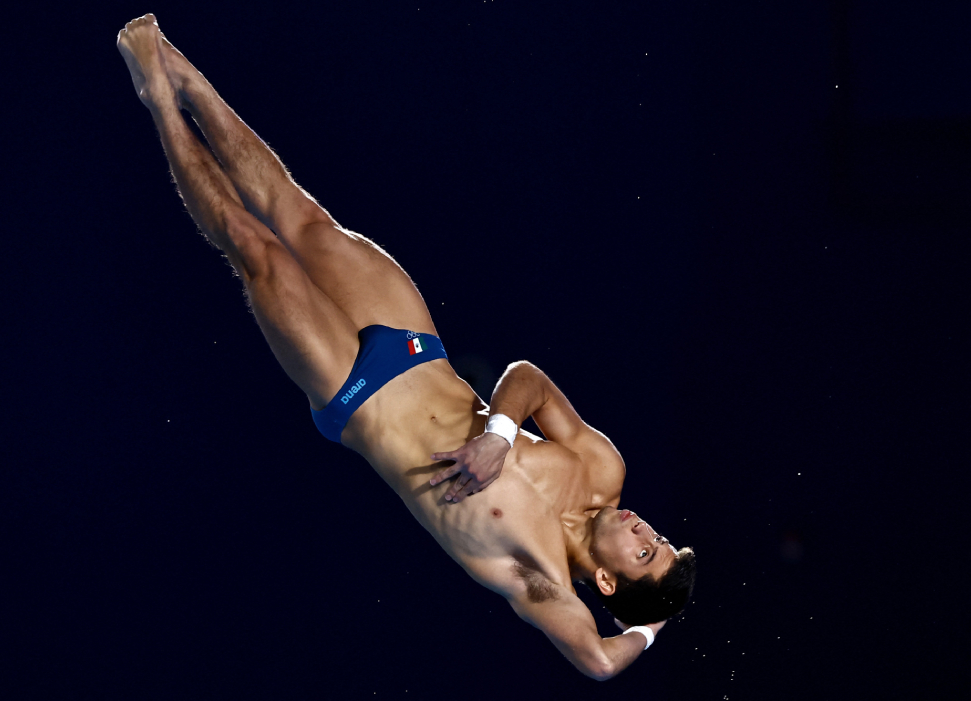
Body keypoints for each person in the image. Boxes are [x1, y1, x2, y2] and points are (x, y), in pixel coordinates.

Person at [115, 15, 696, 680]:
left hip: (353, 395)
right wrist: (501, 434)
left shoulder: (537, 574)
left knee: (257, 250)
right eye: (658, 535)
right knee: (301, 213)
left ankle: (158, 96)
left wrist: (650, 629)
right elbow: (528, 377)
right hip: (417, 348)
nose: (645, 530)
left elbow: (596, 660)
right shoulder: (602, 468)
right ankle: (185, 75)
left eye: (645, 552)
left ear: (609, 583)